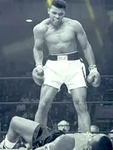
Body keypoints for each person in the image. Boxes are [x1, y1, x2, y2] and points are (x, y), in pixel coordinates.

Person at [32, 0, 101, 133]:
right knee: (43, 104)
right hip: (52, 65)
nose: (57, 17)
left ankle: (86, 140)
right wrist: (39, 65)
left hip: (74, 65)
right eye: (54, 13)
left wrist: (93, 68)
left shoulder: (74, 25)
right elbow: (38, 48)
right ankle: (37, 141)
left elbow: (86, 46)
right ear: (48, 11)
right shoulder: (40, 28)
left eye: (60, 14)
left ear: (64, 13)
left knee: (81, 104)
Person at [0, 116, 113, 150]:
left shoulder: (66, 142)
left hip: (50, 140)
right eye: (92, 135)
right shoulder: (102, 144)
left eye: (90, 138)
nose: (88, 135)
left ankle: (4, 148)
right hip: (55, 137)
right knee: (15, 122)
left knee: (15, 122)